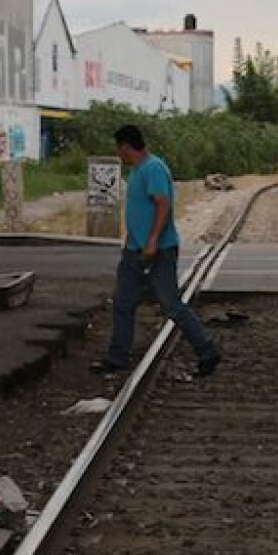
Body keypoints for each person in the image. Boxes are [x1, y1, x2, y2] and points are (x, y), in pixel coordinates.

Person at [92, 125, 221, 377]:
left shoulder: (152, 168)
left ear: (126, 147)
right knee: (123, 303)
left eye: (120, 149)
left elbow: (163, 204)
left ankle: (207, 349)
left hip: (158, 250)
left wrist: (152, 240)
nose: (119, 154)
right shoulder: (139, 169)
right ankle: (117, 357)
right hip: (134, 250)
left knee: (171, 304)